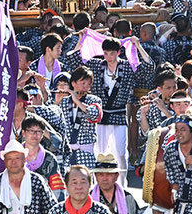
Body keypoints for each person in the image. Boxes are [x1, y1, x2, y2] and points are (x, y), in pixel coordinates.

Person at [66, 36, 154, 184]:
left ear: (119, 52)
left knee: (120, 153)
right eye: (105, 53)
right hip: (99, 115)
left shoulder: (127, 66)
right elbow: (73, 59)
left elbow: (148, 68)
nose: (108, 57)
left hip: (119, 114)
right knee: (99, 152)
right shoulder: (96, 65)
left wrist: (138, 46)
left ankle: (122, 185)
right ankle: (97, 185)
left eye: (112, 53)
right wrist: (81, 39)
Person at [60, 66, 103, 169]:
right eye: (83, 83)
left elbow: (93, 114)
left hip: (85, 154)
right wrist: (56, 102)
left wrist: (77, 101)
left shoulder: (94, 100)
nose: (86, 88)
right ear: (73, 83)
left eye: (89, 84)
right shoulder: (64, 101)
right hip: (67, 153)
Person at [22, 115, 65, 199]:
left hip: (43, 205)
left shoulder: (49, 159)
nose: (35, 135)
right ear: (23, 133)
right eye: (31, 131)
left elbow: (57, 189)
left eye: (39, 131)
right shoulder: (15, 155)